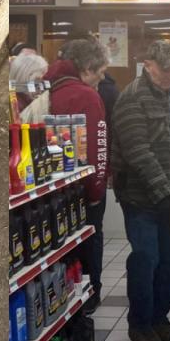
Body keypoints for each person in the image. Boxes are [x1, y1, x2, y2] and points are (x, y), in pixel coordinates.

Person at [110, 41, 170, 341]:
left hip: (167, 194)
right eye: (166, 68)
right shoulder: (132, 98)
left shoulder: (169, 96)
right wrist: (162, 196)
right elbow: (138, 152)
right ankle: (140, 326)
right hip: (142, 198)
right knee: (146, 259)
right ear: (148, 65)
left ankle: (160, 319)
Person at [45, 39, 109, 311]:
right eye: (100, 71)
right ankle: (88, 294)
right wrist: (96, 191)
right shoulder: (86, 96)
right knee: (89, 241)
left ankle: (60, 296)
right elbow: (98, 147)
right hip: (81, 189)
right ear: (86, 68)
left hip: (48, 187)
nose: (102, 77)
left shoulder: (44, 86)